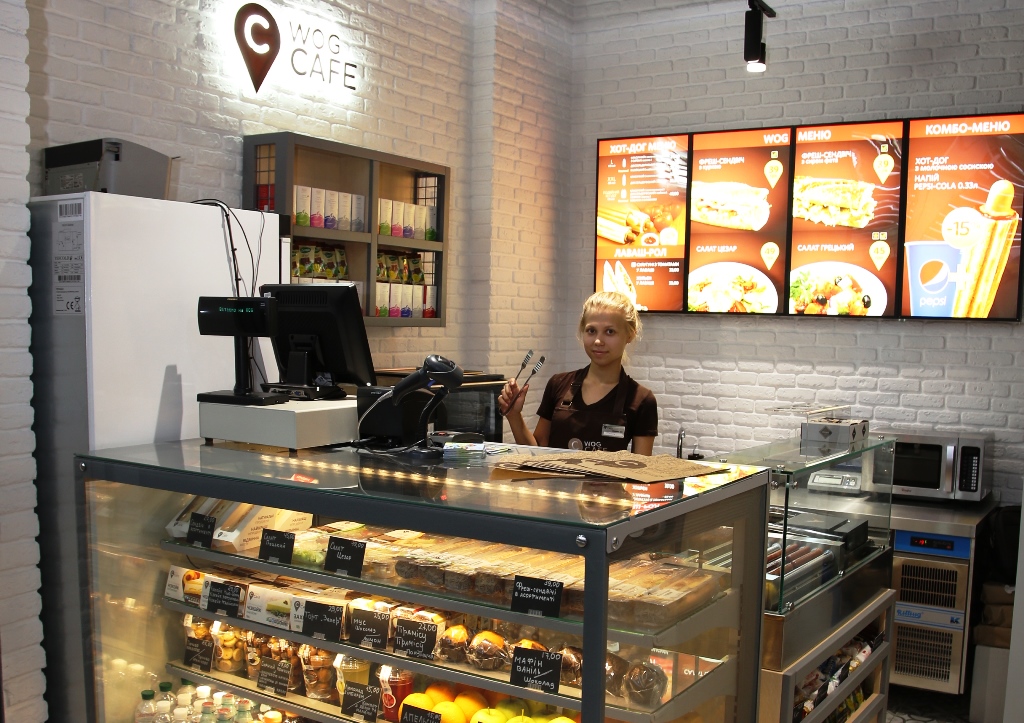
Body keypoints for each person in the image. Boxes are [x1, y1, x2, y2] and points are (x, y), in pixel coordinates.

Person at [499, 291, 658, 454]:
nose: (598, 341)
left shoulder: (641, 400)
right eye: (591, 331)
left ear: (630, 334)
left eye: (610, 331)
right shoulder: (558, 384)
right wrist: (514, 415)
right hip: (556, 473)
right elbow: (535, 453)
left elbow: (640, 468)